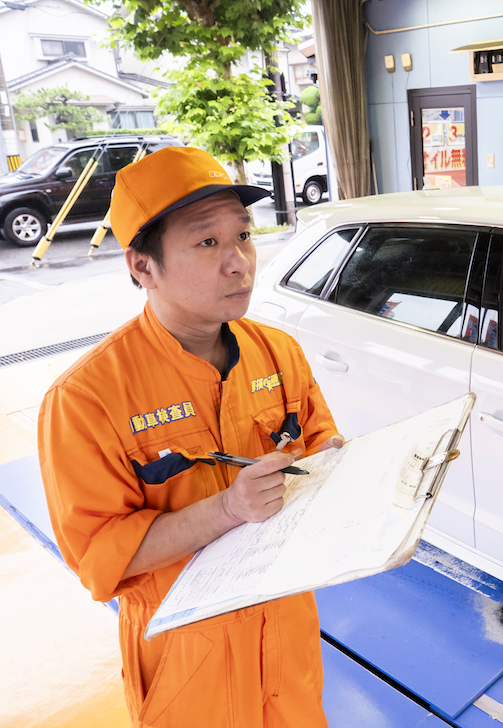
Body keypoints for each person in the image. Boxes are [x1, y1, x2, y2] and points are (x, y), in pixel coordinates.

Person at [38, 146, 344, 728]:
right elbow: (99, 557)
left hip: (285, 628)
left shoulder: (278, 352)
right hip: (186, 650)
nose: (239, 263)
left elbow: (319, 443)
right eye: (207, 242)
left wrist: (334, 468)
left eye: (245, 236)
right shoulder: (86, 399)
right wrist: (228, 508)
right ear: (142, 266)